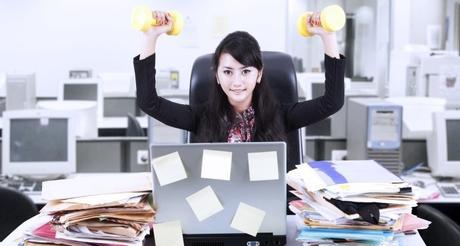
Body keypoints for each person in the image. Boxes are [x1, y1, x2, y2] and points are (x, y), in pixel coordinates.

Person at [134, 11, 345, 146]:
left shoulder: (280, 115)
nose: (236, 82)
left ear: (259, 74)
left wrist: (328, 37)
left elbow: (332, 102)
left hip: (268, 208)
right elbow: (149, 103)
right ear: (216, 75)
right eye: (227, 71)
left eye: (245, 71)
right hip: (215, 210)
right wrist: (150, 36)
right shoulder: (201, 117)